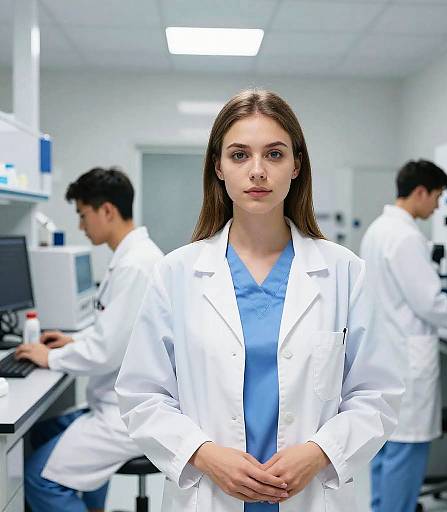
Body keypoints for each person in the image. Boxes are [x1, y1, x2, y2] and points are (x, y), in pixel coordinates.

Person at [115, 89, 404, 512]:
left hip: (311, 495)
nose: (257, 171)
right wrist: (204, 454)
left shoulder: (344, 271)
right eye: (238, 155)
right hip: (210, 494)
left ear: (296, 166)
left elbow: (376, 395)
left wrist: (320, 452)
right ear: (218, 167)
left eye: (273, 154)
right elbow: (142, 396)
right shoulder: (176, 273)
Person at [16, 167, 163, 512]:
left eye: (83, 215)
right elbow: (111, 330)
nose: (81, 226)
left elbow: (105, 352)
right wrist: (72, 340)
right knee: (40, 433)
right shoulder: (130, 258)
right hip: (114, 401)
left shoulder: (136, 265)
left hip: (126, 414)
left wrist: (47, 357)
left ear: (107, 210)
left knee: (37, 478)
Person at [360, 159, 447, 512]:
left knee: (387, 448)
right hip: (405, 359)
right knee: (406, 450)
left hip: (385, 354)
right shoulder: (406, 237)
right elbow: (430, 302)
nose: (438, 205)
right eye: (437, 196)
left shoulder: (379, 230)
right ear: (421, 192)